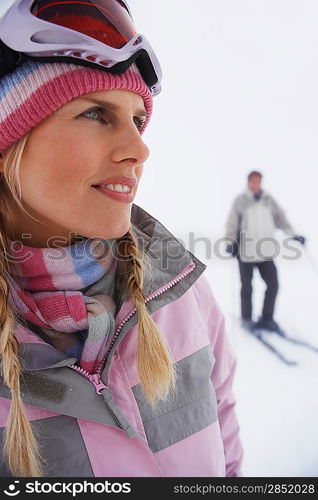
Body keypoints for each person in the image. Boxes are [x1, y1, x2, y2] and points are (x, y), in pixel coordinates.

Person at [0, 0, 243, 478]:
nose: (139, 148)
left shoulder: (181, 294)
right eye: (95, 114)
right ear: (9, 145)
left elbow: (228, 446)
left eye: (136, 119)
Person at [225, 170, 305, 333]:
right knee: (247, 287)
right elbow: (232, 224)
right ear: (248, 182)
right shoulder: (240, 201)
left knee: (273, 284)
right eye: (252, 181)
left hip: (266, 252)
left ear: (260, 182)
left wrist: (293, 235)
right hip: (246, 252)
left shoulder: (268, 200)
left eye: (258, 181)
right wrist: (230, 242)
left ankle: (267, 318)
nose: (255, 184)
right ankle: (247, 319)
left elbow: (282, 219)